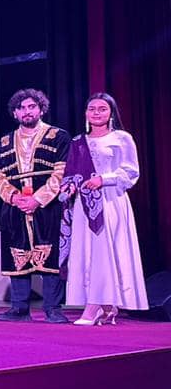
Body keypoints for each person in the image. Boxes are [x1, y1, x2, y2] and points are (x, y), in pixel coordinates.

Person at [59, 93, 148, 323]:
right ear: (85, 113)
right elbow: (71, 173)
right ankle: (106, 305)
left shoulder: (122, 138)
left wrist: (103, 179)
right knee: (88, 252)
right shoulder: (78, 141)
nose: (96, 113)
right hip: (84, 204)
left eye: (102, 109)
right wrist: (69, 187)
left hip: (110, 201)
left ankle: (94, 306)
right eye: (92, 109)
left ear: (111, 113)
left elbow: (131, 172)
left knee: (105, 251)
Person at [0, 88, 70, 323]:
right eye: (21, 108)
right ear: (15, 113)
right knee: (17, 252)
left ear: (41, 109)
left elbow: (61, 172)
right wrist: (14, 197)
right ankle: (19, 309)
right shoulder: (4, 141)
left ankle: (53, 309)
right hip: (14, 206)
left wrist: (38, 199)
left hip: (48, 205)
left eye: (31, 107)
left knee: (51, 253)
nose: (26, 111)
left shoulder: (58, 136)